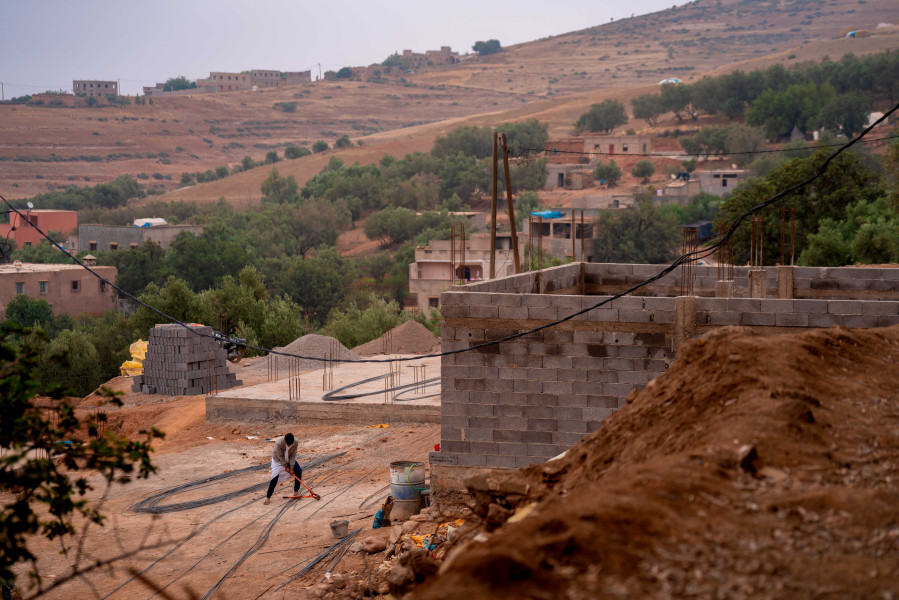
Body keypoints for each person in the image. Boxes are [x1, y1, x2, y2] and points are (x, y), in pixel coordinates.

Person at [264, 433, 302, 505]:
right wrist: (286, 467)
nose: (289, 445)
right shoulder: (278, 443)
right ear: (285, 440)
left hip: (289, 458)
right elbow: (280, 456)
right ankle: (268, 497)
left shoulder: (295, 442)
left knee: (298, 470)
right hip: (278, 460)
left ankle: (296, 492)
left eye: (291, 444)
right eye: (288, 444)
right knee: (275, 478)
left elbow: (293, 455)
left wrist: (291, 467)